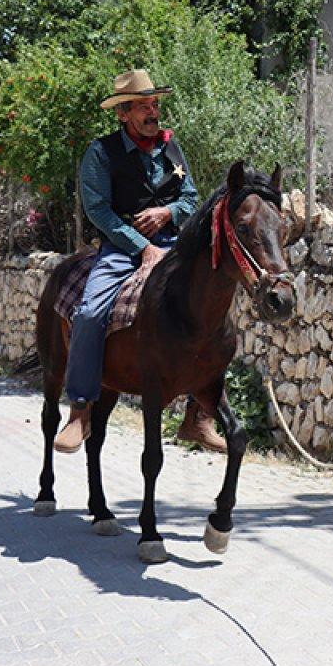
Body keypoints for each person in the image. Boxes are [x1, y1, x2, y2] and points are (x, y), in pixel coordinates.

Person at [54, 69, 224, 454]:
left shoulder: (172, 148)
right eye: (145, 106)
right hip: (121, 247)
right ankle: (80, 409)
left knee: (215, 305)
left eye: (155, 104)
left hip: (175, 243)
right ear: (123, 113)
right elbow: (98, 210)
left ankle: (199, 416)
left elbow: (190, 199)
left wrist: (166, 215)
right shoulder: (101, 153)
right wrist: (141, 247)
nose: (153, 112)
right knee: (91, 311)